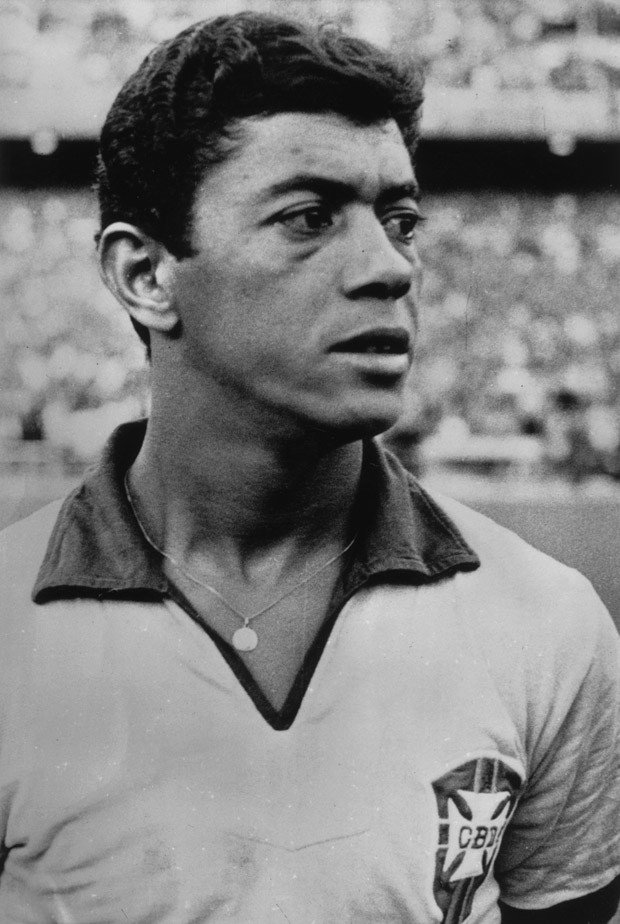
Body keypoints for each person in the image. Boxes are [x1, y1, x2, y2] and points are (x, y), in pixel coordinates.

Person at [0, 12, 618, 924]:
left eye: (400, 220)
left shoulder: (547, 622)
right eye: (309, 218)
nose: (390, 268)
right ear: (145, 276)